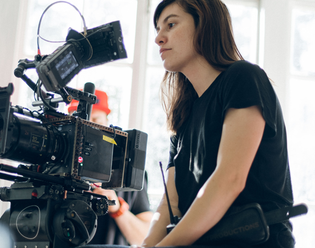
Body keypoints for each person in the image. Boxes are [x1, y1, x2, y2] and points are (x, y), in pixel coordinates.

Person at [140, 0, 294, 247]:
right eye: (158, 29)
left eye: (170, 25)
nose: (159, 38)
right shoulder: (184, 116)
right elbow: (171, 204)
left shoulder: (243, 77)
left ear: (204, 25)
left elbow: (229, 180)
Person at [68, 89, 153, 246]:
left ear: (107, 123)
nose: (89, 128)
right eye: (81, 121)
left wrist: (118, 208)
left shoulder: (129, 173)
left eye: (96, 121)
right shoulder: (52, 169)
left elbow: (144, 238)